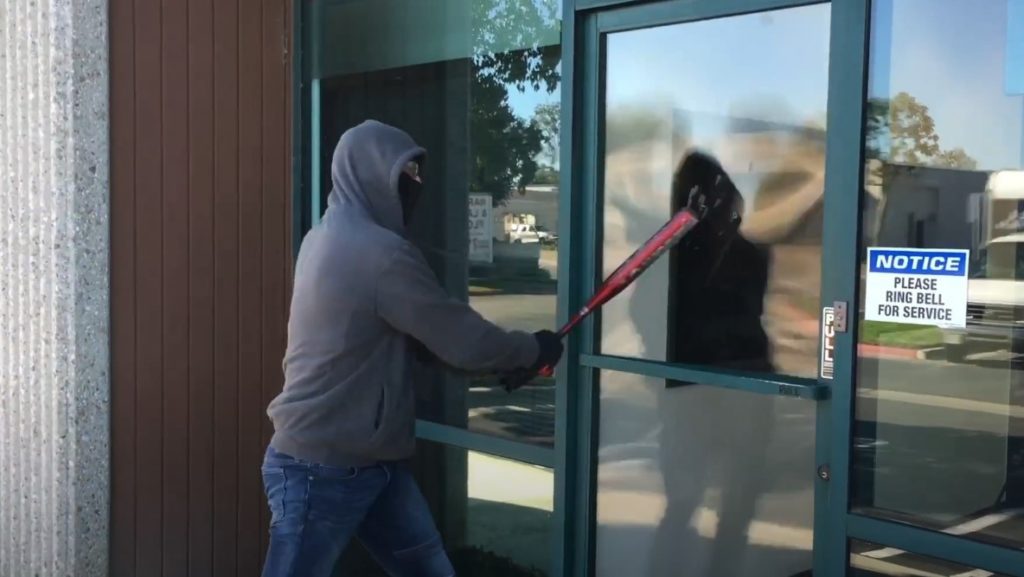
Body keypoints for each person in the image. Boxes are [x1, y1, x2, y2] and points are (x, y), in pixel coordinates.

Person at [261, 119, 564, 577]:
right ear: (371, 174)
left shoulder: (322, 237)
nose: (415, 185)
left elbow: (377, 335)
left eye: (418, 174)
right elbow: (462, 339)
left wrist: (459, 359)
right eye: (407, 173)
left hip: (370, 462)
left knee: (428, 569)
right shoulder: (381, 254)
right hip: (322, 467)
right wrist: (532, 349)